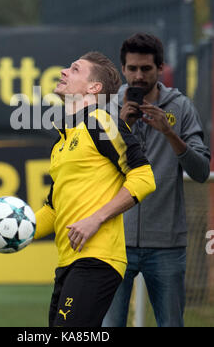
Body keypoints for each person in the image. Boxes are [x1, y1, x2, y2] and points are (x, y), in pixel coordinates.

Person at [0, 51, 156, 327]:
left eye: (74, 69)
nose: (63, 71)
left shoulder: (102, 122)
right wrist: (6, 231)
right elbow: (53, 209)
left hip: (97, 259)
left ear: (93, 88)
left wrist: (95, 219)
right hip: (68, 262)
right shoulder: (63, 140)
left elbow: (144, 178)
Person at [102, 33, 211, 328]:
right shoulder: (108, 109)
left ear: (160, 68)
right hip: (114, 242)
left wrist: (169, 133)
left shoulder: (181, 107)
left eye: (146, 69)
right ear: (123, 69)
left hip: (166, 244)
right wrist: (121, 129)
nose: (139, 76)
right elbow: (96, 169)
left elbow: (201, 172)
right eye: (133, 68)